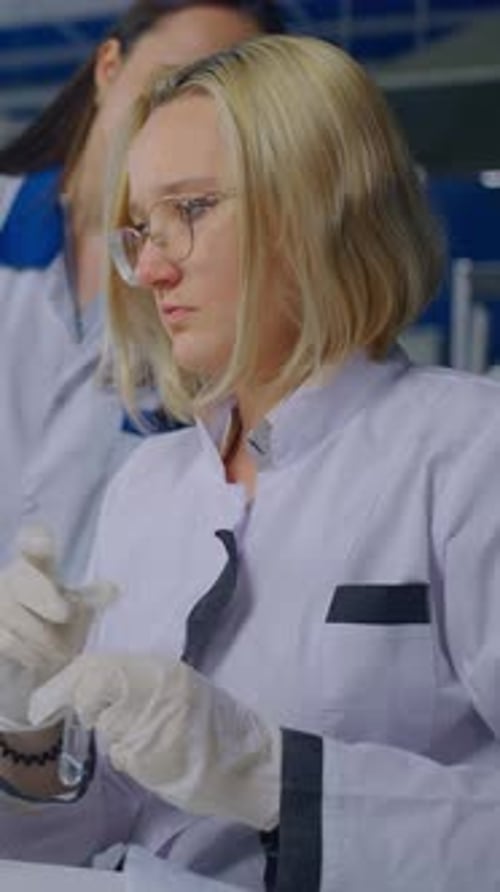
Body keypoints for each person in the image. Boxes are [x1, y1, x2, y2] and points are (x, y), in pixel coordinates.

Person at [2, 33, 500, 892]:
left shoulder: (467, 453)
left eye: (190, 210)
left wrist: (277, 779)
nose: (151, 267)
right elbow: (93, 825)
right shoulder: (149, 487)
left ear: (321, 201)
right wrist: (26, 728)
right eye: (140, 228)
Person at [0, 0, 283, 585]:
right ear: (108, 67)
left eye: (217, 107)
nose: (180, 122)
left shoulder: (216, 302)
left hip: (85, 662)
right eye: (169, 83)